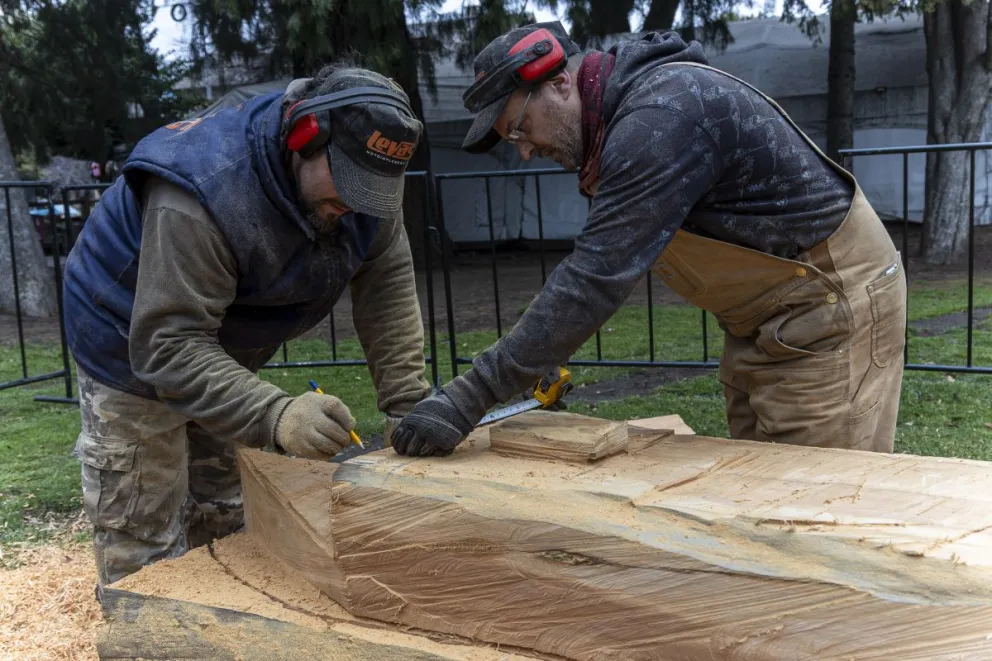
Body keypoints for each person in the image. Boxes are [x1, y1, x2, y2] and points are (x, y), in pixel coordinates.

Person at [391, 22, 907, 458]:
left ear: (560, 84)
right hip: (765, 320)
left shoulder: (659, 121)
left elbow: (592, 280)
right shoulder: (623, 122)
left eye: (520, 128)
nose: (525, 151)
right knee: (760, 489)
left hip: (830, 305)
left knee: (816, 509)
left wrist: (467, 396)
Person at [62, 63, 432, 590]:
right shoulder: (203, 191)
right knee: (143, 527)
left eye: (370, 191)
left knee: (228, 506)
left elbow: (386, 280)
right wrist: (276, 413)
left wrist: (405, 402)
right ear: (304, 137)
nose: (354, 205)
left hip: (219, 337)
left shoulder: (367, 185)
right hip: (127, 338)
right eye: (345, 186)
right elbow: (167, 347)